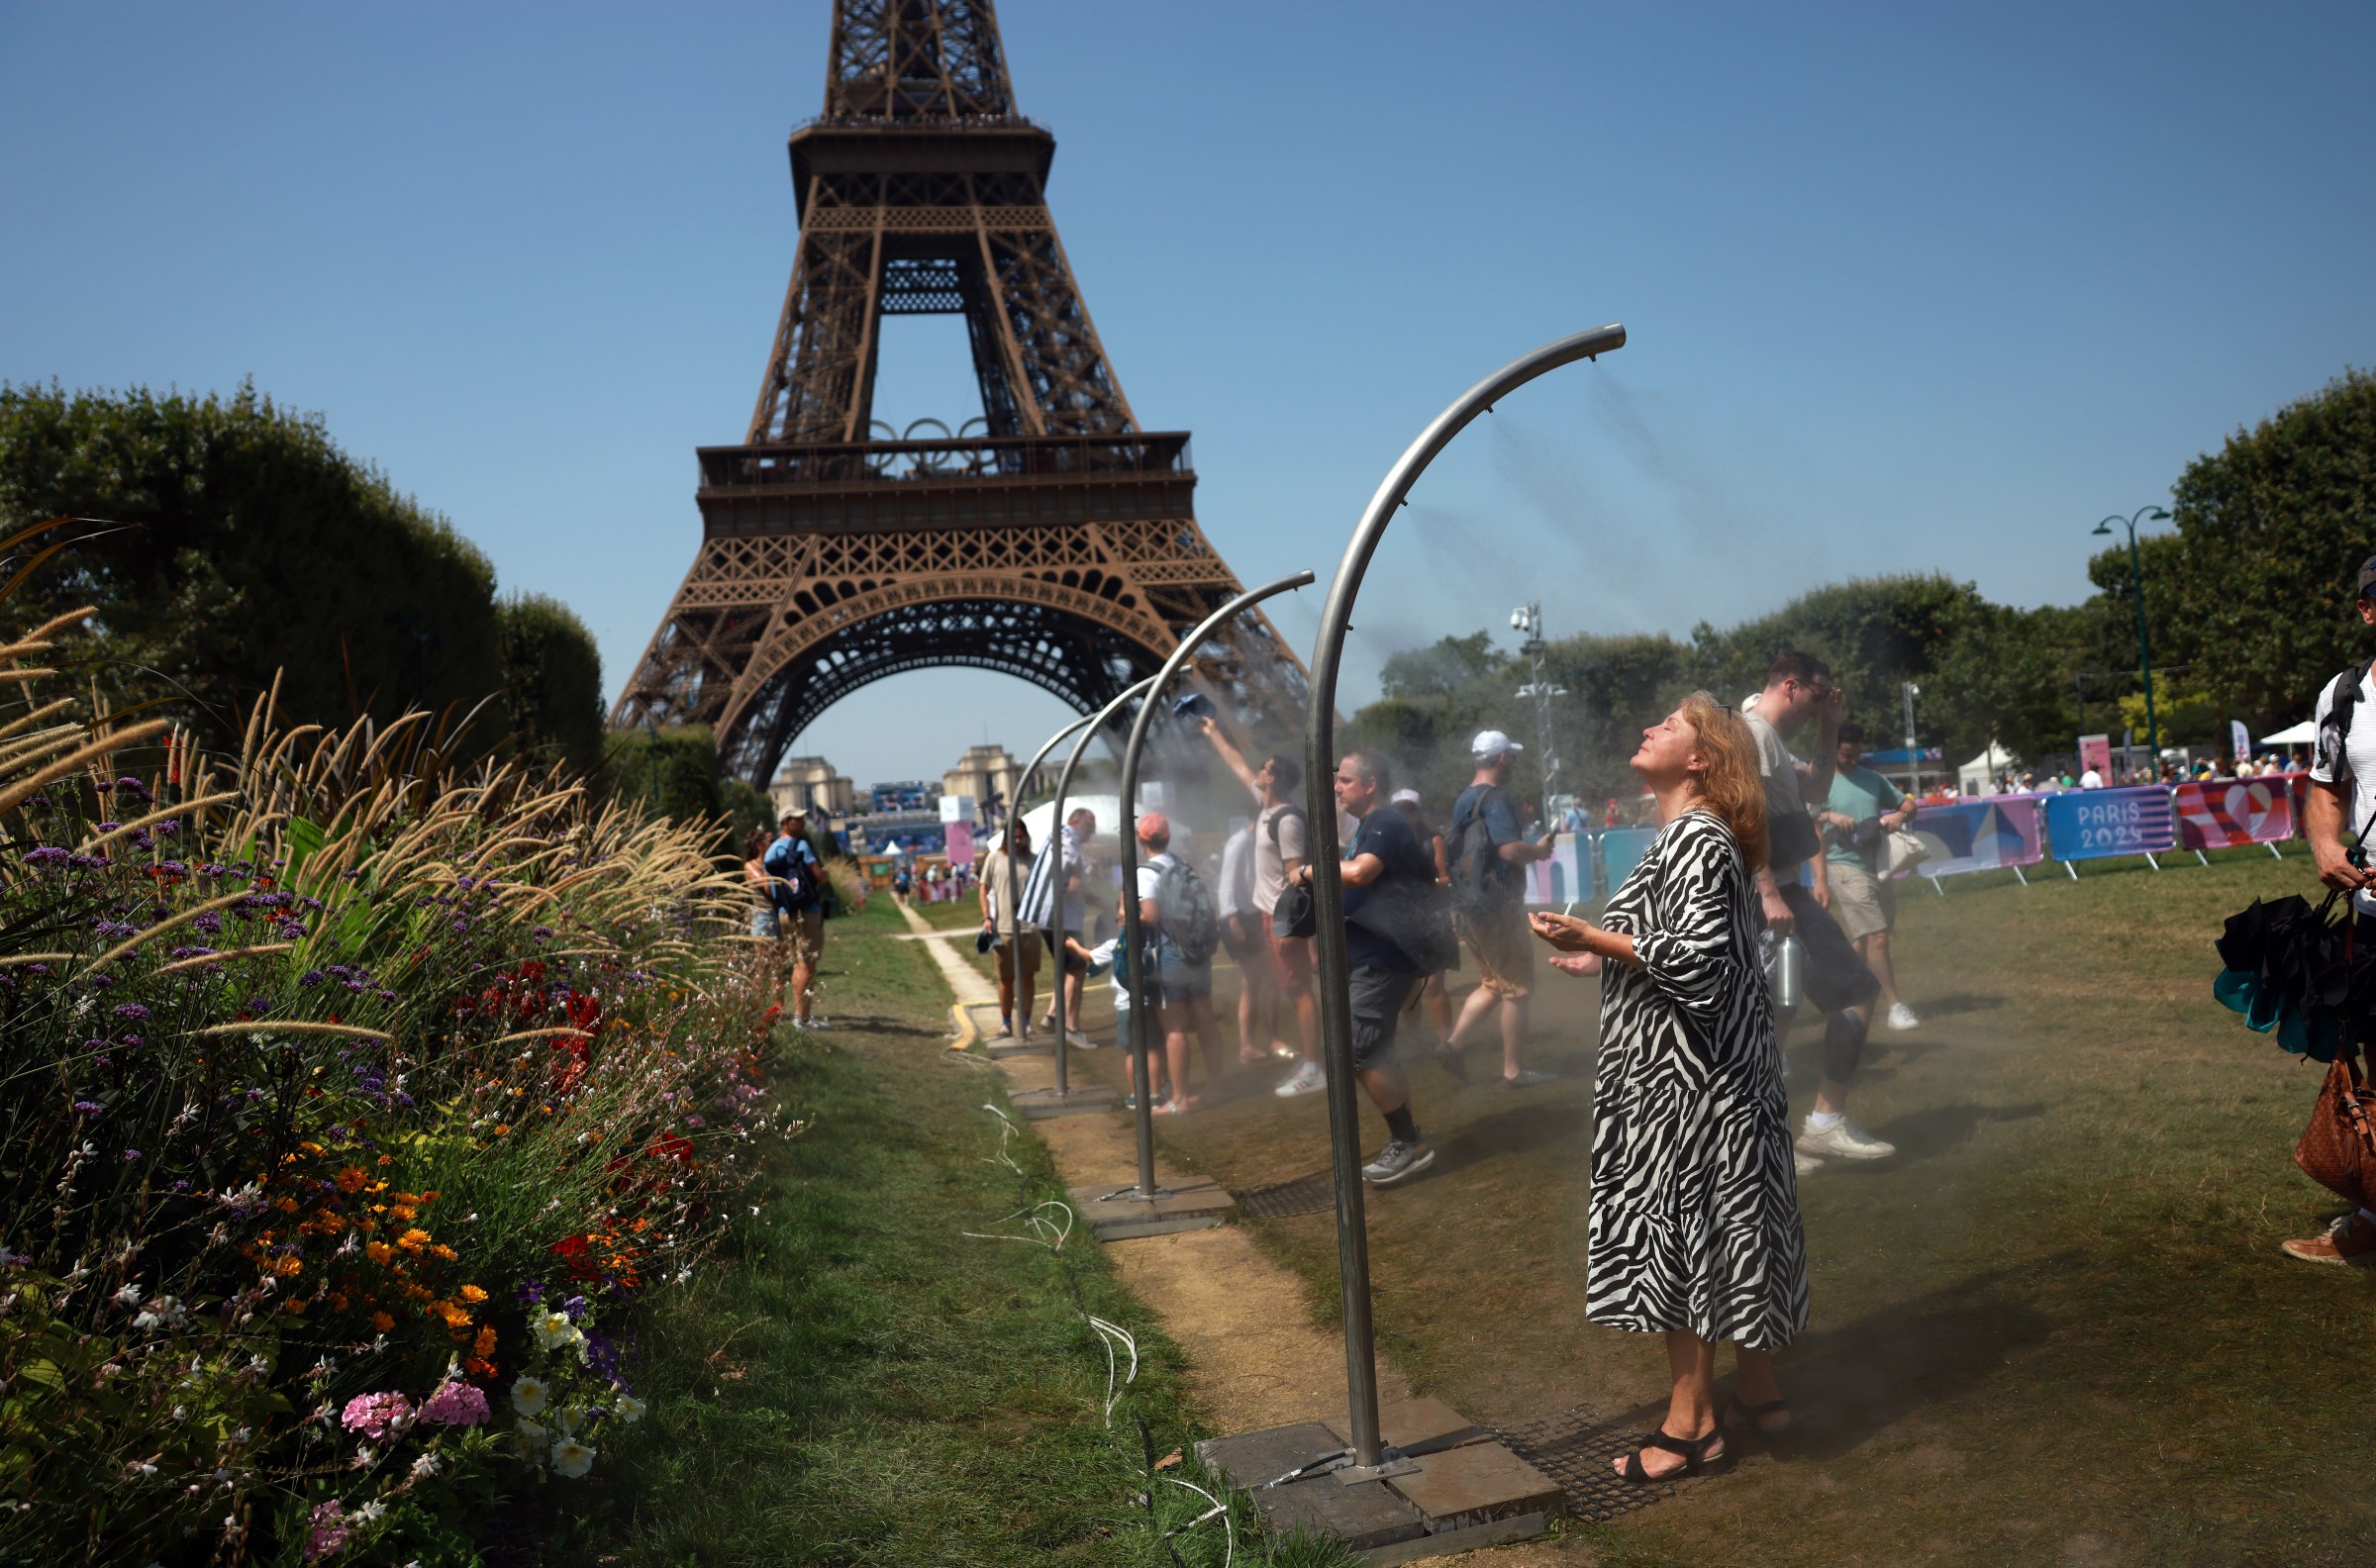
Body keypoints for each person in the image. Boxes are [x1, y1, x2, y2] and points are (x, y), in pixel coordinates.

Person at [1530, 694, 1809, 1482]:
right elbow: (1687, 943)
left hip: (1690, 1086)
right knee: (1735, 1224)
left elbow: (1702, 967)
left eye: (1671, 725)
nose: (1649, 727)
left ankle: (1691, 1426)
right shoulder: (1693, 838)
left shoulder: (1696, 837)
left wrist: (1594, 935)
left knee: (1687, 1238)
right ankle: (1759, 1388)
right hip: (1715, 1073)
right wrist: (1602, 955)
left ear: (1702, 759)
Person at [1744, 653, 1890, 1168]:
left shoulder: (1771, 738)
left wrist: (1828, 727)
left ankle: (1816, 1128)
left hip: (1785, 897)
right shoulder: (1753, 734)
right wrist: (1767, 891)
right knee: (1779, 1019)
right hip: (1770, 900)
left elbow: (1817, 789)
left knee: (1793, 1011)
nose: (1824, 702)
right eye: (1819, 694)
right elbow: (1743, 814)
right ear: (1791, 685)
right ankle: (1773, 1143)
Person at [1290, 750, 1438, 1185]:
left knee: (1359, 1050)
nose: (1337, 787)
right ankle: (1409, 1139)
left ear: (1371, 785)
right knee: (1365, 1050)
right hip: (1372, 957)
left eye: (1347, 781)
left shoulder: (1385, 822)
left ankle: (1409, 1143)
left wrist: (1305, 872)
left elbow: (1358, 874)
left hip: (1383, 959)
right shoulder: (1371, 825)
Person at [2288, 551, 2376, 1266]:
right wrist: (2323, 845)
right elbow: (2326, 786)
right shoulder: (2344, 695)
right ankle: (2374, 1215)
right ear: (2367, 610)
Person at [1197, 718, 1325, 1097]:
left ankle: (1314, 1066)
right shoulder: (1266, 809)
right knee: (1291, 989)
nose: (1257, 771)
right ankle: (1310, 1061)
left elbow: (1297, 874)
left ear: (1274, 779)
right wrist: (1212, 732)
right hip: (1269, 917)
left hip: (1282, 919)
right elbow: (1237, 765)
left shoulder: (1285, 821)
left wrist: (1290, 928)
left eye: (1265, 768)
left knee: (1300, 991)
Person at [1440, 731, 1560, 1089]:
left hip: (1468, 905)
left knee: (1492, 983)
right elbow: (1508, 851)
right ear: (1503, 758)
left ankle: (1451, 1045)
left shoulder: (1465, 798)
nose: (1515, 763)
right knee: (1517, 988)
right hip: (1497, 907)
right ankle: (1513, 1072)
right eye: (1513, 757)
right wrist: (1538, 851)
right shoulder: (1496, 799)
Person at [1815, 721, 1921, 1030]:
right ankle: (1894, 1006)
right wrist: (1829, 815)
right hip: (1843, 866)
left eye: (1857, 753)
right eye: (1847, 754)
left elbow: (1908, 804)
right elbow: (1808, 820)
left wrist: (1899, 815)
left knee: (1865, 938)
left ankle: (1845, 995)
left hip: (1878, 865)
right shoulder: (1819, 784)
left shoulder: (1872, 779)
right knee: (1877, 936)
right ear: (1834, 750)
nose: (1853, 760)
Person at [1132, 813, 1224, 1115]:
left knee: (1175, 1029)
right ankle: (1214, 1087)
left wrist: (1126, 913)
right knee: (1205, 1020)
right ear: (1167, 837)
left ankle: (1180, 1099)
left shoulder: (1146, 872)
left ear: (1141, 838)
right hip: (1196, 951)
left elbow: (1151, 915)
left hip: (1169, 953)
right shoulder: (1181, 864)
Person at [1391, 789, 1458, 1054]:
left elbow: (1445, 879)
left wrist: (1419, 886)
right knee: (1409, 985)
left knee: (1433, 985)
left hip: (1433, 918)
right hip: (1403, 920)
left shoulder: (1433, 839)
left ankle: (1446, 1042)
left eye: (1410, 809)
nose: (1405, 815)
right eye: (1400, 810)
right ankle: (1415, 1039)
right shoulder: (1389, 839)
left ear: (1418, 812)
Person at [1217, 816, 1284, 1066]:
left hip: (1254, 915)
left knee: (1257, 981)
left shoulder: (1260, 842)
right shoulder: (1239, 842)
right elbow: (1225, 885)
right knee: (1260, 979)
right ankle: (1260, 1042)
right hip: (1238, 917)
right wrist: (1233, 920)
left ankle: (1259, 1042)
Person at [1026, 807, 1097, 1034]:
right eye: (1089, 825)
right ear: (1075, 821)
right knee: (1077, 968)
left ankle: (1053, 1015)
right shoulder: (1070, 842)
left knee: (1065, 967)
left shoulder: (1057, 837)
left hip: (1048, 919)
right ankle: (1071, 1027)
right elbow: (1075, 885)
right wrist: (1098, 899)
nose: (1092, 831)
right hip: (1063, 920)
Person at [978, 819, 1041, 1040]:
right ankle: (1006, 1023)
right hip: (1003, 928)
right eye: (1013, 837)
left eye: (1021, 836)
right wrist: (987, 917)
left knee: (1027, 977)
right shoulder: (995, 858)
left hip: (1029, 929)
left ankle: (1026, 1022)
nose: (1018, 840)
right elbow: (983, 888)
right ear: (1006, 838)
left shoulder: (1034, 861)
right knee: (1006, 978)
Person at [763, 810, 827, 1029]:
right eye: (796, 818)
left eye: (802, 818)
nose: (801, 822)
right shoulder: (801, 845)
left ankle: (803, 1016)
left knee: (798, 961)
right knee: (806, 962)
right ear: (785, 822)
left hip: (785, 912)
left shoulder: (770, 851)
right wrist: (825, 874)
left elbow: (769, 889)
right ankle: (802, 1017)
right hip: (807, 910)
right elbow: (819, 876)